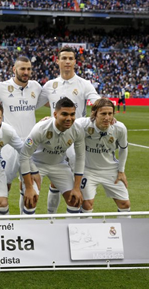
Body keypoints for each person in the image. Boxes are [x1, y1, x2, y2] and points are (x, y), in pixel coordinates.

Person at [37, 46, 100, 213]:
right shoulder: (50, 85)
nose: (67, 61)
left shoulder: (84, 84)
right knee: (55, 181)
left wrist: (104, 111)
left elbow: (96, 102)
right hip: (53, 139)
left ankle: (80, 218)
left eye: (70, 58)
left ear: (75, 62)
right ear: (57, 61)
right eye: (63, 58)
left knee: (77, 183)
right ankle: (52, 218)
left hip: (75, 140)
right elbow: (35, 104)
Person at [0, 56, 43, 213]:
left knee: (31, 189)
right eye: (22, 69)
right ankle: (4, 227)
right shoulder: (1, 87)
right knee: (4, 187)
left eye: (29, 69)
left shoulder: (36, 87)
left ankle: (25, 226)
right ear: (14, 69)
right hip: (8, 145)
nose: (26, 72)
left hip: (31, 144)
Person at [20, 97, 85, 215]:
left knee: (75, 201)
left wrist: (76, 187)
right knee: (31, 200)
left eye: (72, 114)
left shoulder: (77, 130)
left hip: (59, 165)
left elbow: (80, 157)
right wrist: (30, 183)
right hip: (37, 164)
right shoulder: (40, 128)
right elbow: (24, 155)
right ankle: (27, 232)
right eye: (64, 114)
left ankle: (70, 231)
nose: (69, 118)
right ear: (55, 114)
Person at [74, 98, 130, 216]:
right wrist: (49, 120)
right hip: (88, 170)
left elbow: (123, 149)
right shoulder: (83, 124)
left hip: (111, 170)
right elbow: (65, 121)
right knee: (87, 204)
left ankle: (126, 231)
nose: (107, 117)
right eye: (103, 113)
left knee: (125, 204)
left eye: (110, 114)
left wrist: (121, 171)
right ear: (94, 114)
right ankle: (85, 233)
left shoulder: (120, 128)